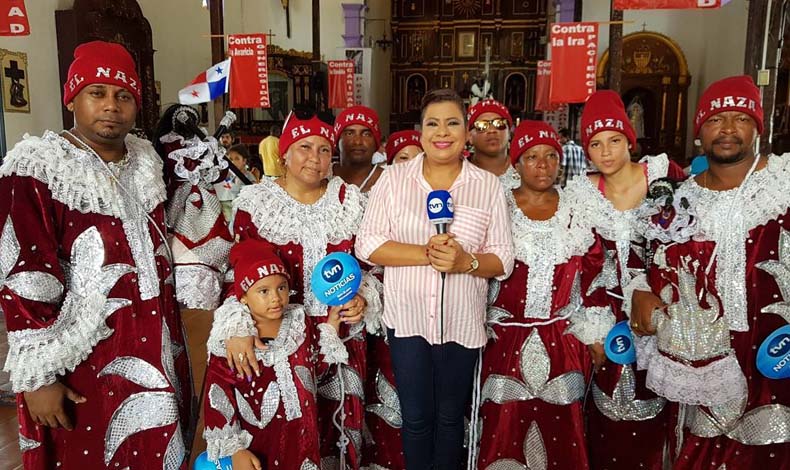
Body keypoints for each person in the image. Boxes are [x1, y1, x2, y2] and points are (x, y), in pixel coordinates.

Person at [0, 41, 192, 469]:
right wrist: (40, 376)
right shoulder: (37, 166)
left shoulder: (147, 161)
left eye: (123, 96)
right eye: (97, 93)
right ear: (72, 97)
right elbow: (24, 272)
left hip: (157, 341)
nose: (111, 106)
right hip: (80, 356)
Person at [631, 75, 790, 468]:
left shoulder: (783, 185)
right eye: (717, 119)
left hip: (775, 351)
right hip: (700, 357)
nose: (728, 129)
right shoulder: (677, 198)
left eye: (740, 118)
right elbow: (641, 256)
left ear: (757, 127)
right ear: (700, 130)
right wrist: (639, 290)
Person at [210, 110, 383, 469]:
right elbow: (236, 273)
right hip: (279, 343)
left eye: (323, 149)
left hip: (341, 338)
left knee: (338, 430)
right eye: (305, 147)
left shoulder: (348, 201)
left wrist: (365, 295)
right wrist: (237, 327)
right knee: (284, 439)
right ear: (284, 153)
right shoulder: (256, 203)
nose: (315, 158)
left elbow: (370, 265)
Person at [356, 88, 514, 470]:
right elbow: (368, 244)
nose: (442, 132)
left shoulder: (487, 185)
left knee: (448, 419)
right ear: (420, 130)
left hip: (461, 324)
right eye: (433, 123)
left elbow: (503, 260)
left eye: (453, 123)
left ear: (466, 132)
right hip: (408, 322)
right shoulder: (394, 181)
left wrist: (466, 262)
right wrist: (425, 254)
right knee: (416, 418)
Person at [473, 121, 614, 469]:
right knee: (501, 429)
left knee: (562, 431)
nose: (542, 165)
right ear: (516, 162)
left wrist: (594, 335)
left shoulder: (577, 211)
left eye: (551, 156)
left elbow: (595, 276)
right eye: (532, 156)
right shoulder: (496, 206)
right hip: (500, 341)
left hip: (563, 343)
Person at [564, 90, 685, 470]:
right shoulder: (582, 193)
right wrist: (592, 329)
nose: (606, 152)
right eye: (596, 144)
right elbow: (582, 263)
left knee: (661, 404)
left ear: (629, 139)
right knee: (609, 411)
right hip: (608, 313)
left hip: (664, 309)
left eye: (615, 140)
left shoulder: (666, 176)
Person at [202, 239, 348, 470]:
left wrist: (330, 328)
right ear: (242, 297)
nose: (276, 298)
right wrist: (236, 450)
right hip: (260, 445)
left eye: (281, 287)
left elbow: (313, 373)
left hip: (305, 439)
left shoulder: (299, 324)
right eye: (263, 291)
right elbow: (217, 398)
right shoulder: (230, 344)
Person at [467, 98, 521, 190]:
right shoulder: (459, 171)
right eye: (482, 126)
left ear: (509, 133)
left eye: (499, 124)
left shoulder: (524, 171)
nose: (492, 131)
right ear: (469, 136)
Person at [332, 105, 386, 193]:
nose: (357, 141)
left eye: (366, 134)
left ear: (376, 142)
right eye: (349, 133)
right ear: (337, 141)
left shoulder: (390, 181)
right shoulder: (321, 176)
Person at [216, 144, 258, 221]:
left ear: (244, 161)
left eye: (237, 159)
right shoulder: (228, 175)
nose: (233, 162)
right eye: (231, 159)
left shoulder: (248, 177)